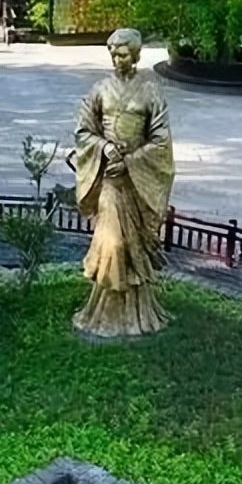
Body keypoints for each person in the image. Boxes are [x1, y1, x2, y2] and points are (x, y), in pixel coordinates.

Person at [71, 29, 176, 337]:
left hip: (136, 180)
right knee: (112, 244)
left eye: (123, 54)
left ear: (136, 55)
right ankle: (103, 313)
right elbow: (83, 130)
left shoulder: (151, 91)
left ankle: (135, 315)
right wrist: (104, 148)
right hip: (110, 182)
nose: (117, 60)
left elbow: (161, 140)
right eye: (113, 55)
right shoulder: (100, 90)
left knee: (132, 248)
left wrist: (130, 161)